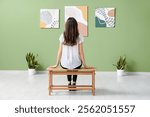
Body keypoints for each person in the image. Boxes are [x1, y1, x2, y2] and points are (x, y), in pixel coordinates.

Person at [50, 17, 91, 89]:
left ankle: (69, 82)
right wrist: (85, 65)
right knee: (76, 63)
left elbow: (60, 51)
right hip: (77, 64)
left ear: (66, 26)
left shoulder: (63, 36)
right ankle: (74, 82)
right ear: (76, 26)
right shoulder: (79, 37)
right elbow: (81, 53)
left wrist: (56, 64)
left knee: (67, 65)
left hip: (64, 64)